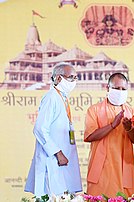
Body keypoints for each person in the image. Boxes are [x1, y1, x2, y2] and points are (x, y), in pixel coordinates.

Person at [24, 62, 82, 197]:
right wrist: (57, 153)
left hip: (62, 159)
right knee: (51, 195)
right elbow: (39, 129)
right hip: (53, 158)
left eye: (75, 78)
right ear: (58, 78)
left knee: (64, 195)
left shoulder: (62, 97)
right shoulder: (51, 97)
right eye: (71, 77)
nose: (74, 81)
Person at [84, 73, 134, 197]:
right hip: (102, 168)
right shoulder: (94, 110)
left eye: (123, 89)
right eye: (116, 88)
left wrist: (129, 129)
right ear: (107, 88)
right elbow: (90, 136)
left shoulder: (132, 112)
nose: (120, 92)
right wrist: (112, 125)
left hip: (124, 167)